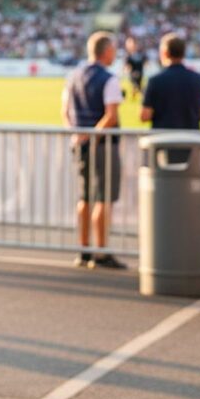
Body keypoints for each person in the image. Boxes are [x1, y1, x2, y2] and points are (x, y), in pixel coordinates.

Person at [62, 30, 127, 270]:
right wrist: (93, 137)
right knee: (103, 198)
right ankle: (100, 251)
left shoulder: (73, 76)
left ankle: (84, 250)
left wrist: (77, 136)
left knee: (84, 197)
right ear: (106, 51)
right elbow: (111, 116)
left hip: (79, 144)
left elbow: (65, 112)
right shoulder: (109, 79)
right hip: (102, 146)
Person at [140, 32, 200, 130]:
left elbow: (145, 115)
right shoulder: (199, 79)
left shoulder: (155, 81)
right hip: (191, 139)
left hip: (163, 139)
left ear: (165, 53)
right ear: (183, 53)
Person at [123, 36, 146, 101]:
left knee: (137, 86)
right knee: (135, 86)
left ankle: (143, 95)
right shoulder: (129, 55)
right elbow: (127, 65)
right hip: (133, 73)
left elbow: (144, 62)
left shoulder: (140, 54)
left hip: (140, 73)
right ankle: (141, 95)